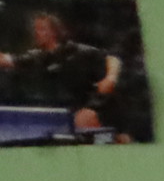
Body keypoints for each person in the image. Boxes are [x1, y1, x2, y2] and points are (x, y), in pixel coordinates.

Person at [4, 8, 124, 137]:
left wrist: (110, 78)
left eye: (42, 29)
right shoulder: (37, 57)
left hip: (93, 110)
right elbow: (7, 60)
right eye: (36, 29)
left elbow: (112, 58)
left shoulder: (78, 51)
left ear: (54, 32)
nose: (36, 33)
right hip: (63, 115)